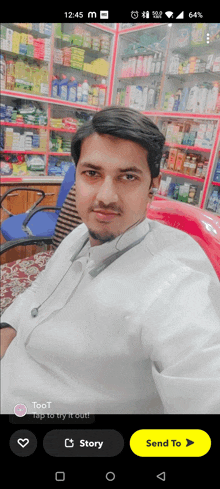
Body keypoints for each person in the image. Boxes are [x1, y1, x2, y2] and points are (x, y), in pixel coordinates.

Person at [1, 106, 220, 415]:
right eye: (92, 174)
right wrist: (7, 328)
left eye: (127, 177)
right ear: (76, 176)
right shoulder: (80, 233)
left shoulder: (176, 284)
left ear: (152, 188)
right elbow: (40, 291)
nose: (105, 197)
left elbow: (205, 382)